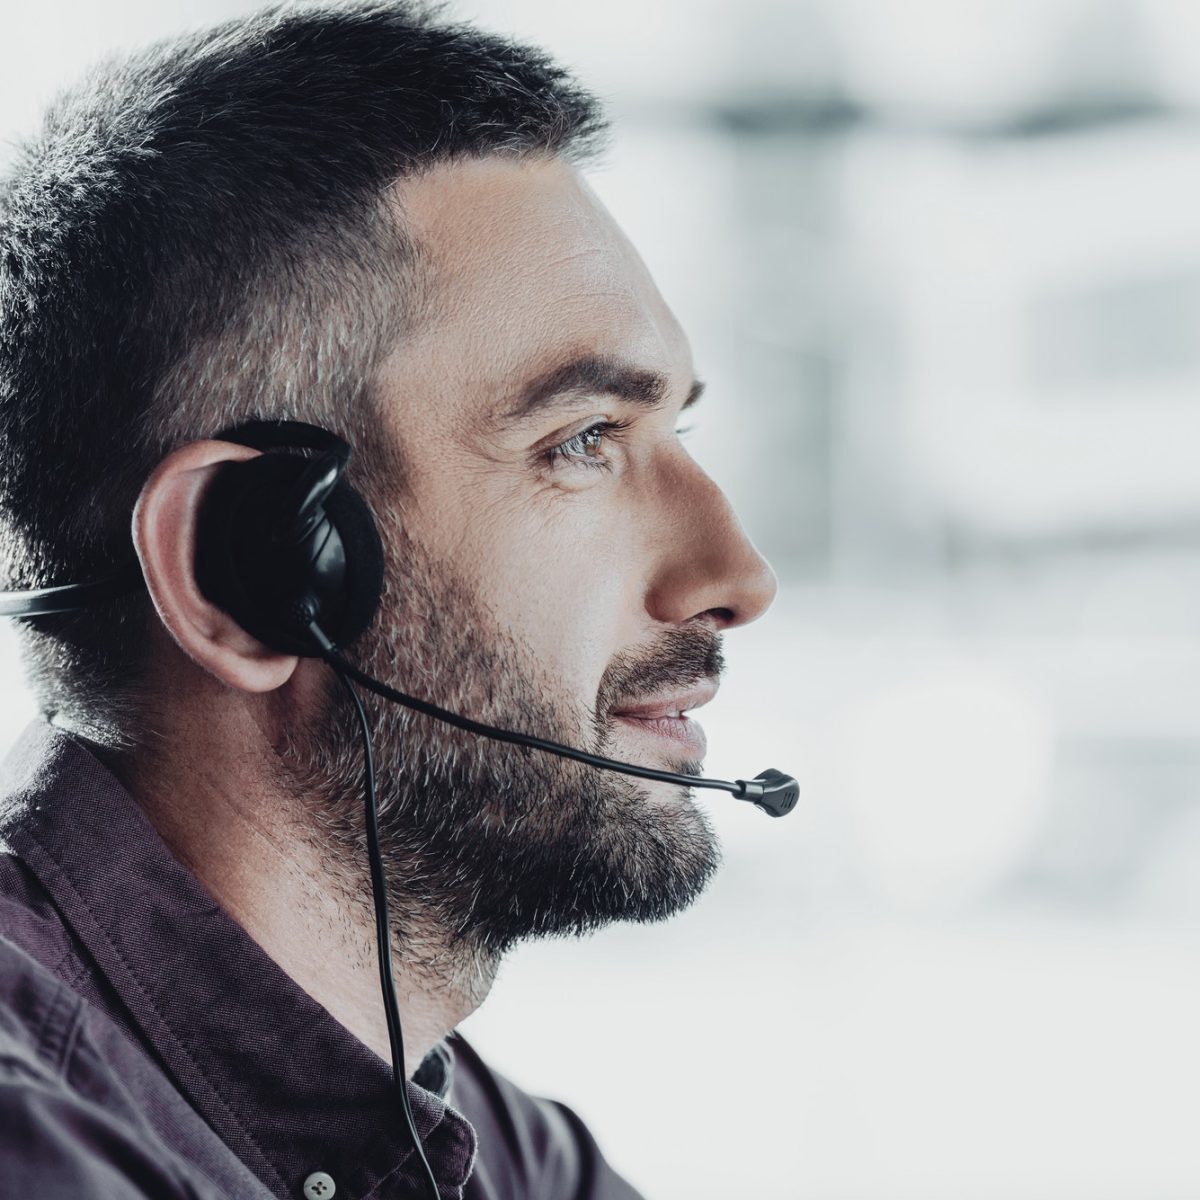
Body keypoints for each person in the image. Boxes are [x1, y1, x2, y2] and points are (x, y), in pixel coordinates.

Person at [0, 3, 778, 1197]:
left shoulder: (501, 1152)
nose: (735, 578)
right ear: (245, 570)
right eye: (582, 440)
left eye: (673, 429)